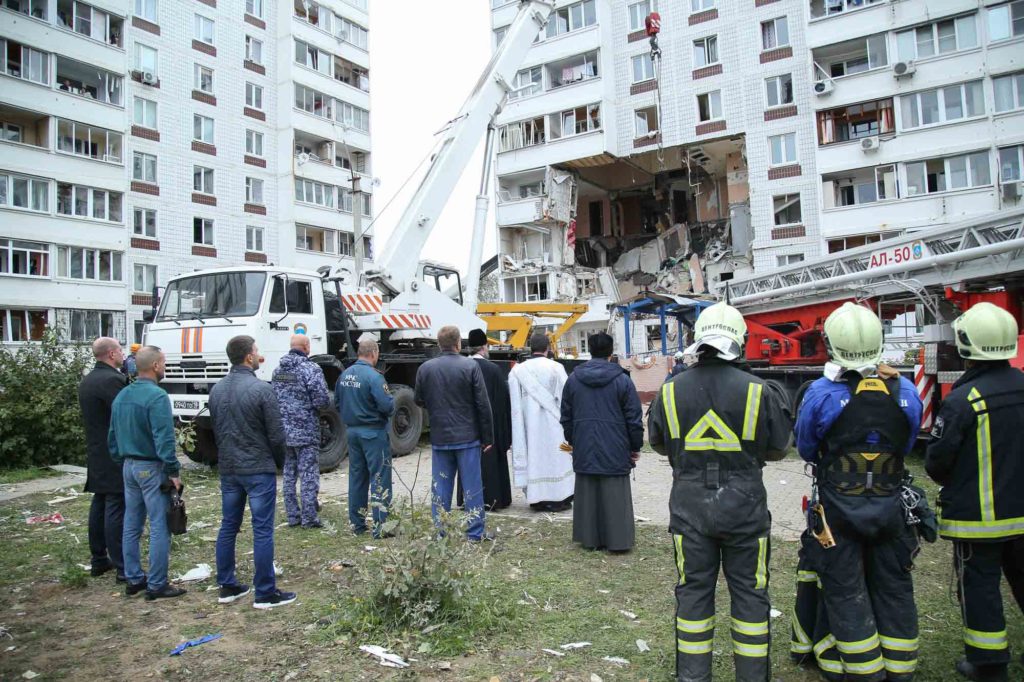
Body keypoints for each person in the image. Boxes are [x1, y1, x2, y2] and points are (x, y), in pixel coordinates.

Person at [648, 302, 791, 682]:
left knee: (693, 591)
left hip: (690, 505)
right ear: (739, 341)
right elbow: (778, 449)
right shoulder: (760, 391)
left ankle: (693, 677)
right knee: (750, 593)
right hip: (745, 505)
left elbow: (659, 444)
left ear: (699, 341)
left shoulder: (671, 390)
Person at [794, 302, 923, 682]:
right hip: (890, 506)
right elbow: (908, 442)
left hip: (838, 510)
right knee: (894, 584)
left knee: (845, 588)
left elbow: (805, 446)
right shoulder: (907, 391)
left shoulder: (820, 394)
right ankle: (900, 669)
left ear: (832, 343)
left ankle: (863, 671)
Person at [925, 302, 1024, 682]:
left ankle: (988, 664)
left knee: (981, 588)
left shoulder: (963, 401)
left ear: (966, 344)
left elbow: (938, 461)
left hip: (982, 520)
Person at [209, 335, 294, 609]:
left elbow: (217, 429)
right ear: (248, 357)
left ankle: (227, 585)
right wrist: (281, 463)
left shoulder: (217, 390)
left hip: (230, 468)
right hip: (257, 468)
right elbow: (277, 434)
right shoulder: (261, 390)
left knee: (228, 526)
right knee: (262, 529)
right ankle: (265, 592)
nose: (259, 355)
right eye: (256, 351)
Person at [108, 345, 184, 601]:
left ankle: (133, 578)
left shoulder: (122, 396)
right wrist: (173, 471)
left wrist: (123, 459)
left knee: (132, 524)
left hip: (129, 466)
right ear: (155, 365)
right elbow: (164, 439)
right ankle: (157, 583)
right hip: (151, 467)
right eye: (163, 362)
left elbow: (112, 437)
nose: (165, 367)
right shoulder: (157, 397)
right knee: (160, 525)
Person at [560, 331, 643, 553]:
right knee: (615, 493)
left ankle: (590, 538)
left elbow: (565, 415)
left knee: (588, 493)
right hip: (616, 445)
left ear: (590, 351)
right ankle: (618, 539)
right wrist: (635, 446)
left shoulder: (573, 380)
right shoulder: (623, 381)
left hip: (584, 441)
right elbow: (634, 418)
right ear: (610, 352)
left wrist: (573, 440)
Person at [414, 325, 494, 542]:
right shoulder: (470, 366)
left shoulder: (425, 368)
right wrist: (488, 437)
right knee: (472, 487)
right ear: (459, 343)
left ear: (439, 344)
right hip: (467, 436)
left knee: (440, 488)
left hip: (440, 437)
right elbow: (482, 404)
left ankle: (439, 532)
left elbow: (418, 399)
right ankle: (475, 533)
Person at [79, 337, 128, 581]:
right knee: (115, 505)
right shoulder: (112, 380)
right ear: (110, 354)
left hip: (97, 449)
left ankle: (99, 558)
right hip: (113, 452)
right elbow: (124, 413)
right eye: (120, 350)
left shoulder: (88, 379)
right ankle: (122, 566)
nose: (123, 354)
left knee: (100, 503)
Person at [336, 339, 395, 538]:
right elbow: (387, 406)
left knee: (357, 478)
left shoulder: (344, 375)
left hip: (352, 432)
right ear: (373, 353)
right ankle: (381, 527)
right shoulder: (374, 377)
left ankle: (357, 523)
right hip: (373, 432)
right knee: (379, 478)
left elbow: (337, 402)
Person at [509, 333, 574, 512]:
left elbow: (515, 404)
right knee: (557, 457)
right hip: (554, 423)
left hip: (529, 426)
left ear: (531, 348)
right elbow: (566, 398)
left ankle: (536, 499)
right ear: (548, 348)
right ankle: (559, 498)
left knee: (535, 458)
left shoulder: (517, 371)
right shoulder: (556, 367)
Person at [272, 334, 331, 528]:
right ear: (306, 347)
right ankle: (309, 518)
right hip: (306, 430)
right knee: (308, 475)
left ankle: (293, 516)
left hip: (285, 431)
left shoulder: (277, 370)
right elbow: (321, 400)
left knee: (289, 474)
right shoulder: (310, 369)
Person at [456, 329, 513, 511]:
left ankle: (468, 498)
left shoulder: (461, 368)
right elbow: (503, 404)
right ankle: (494, 498)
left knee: (468, 464)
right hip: (491, 427)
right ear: (484, 347)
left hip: (466, 426)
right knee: (490, 464)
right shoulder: (493, 370)